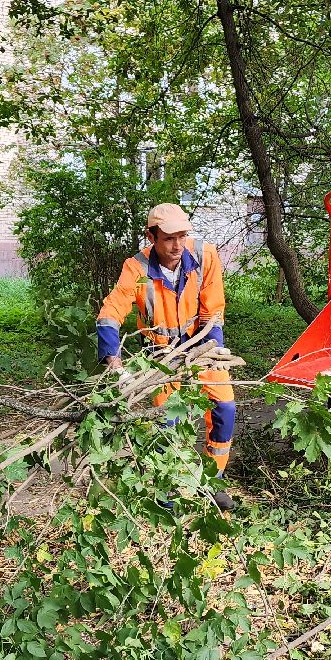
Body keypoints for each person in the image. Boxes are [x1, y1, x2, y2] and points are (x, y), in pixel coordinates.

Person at [96, 203, 236, 509]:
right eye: (169, 238)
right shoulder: (137, 269)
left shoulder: (204, 256)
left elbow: (213, 310)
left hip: (202, 345)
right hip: (160, 354)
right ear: (152, 237)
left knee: (225, 408)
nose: (177, 245)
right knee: (168, 422)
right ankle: (168, 490)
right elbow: (111, 311)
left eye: (182, 236)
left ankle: (213, 481)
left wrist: (210, 348)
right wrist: (114, 361)